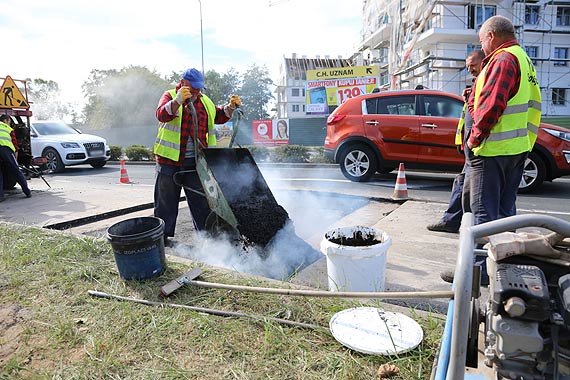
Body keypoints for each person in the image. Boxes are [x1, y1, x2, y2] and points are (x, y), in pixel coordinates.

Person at [441, 16, 541, 285]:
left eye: (482, 41)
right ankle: (503, 269)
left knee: (483, 216)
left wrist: (474, 139)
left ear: (492, 36)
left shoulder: (503, 59)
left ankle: (476, 274)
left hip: (492, 150)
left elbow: (492, 106)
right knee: (505, 214)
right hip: (515, 149)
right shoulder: (523, 58)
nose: (482, 47)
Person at [154, 68, 241, 245]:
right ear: (183, 82)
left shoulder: (204, 101)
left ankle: (206, 240)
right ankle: (160, 239)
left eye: (199, 88)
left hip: (196, 162)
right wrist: (178, 101)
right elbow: (161, 114)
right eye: (193, 88)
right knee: (165, 202)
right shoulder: (170, 95)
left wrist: (230, 107)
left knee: (201, 202)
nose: (197, 92)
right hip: (169, 161)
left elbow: (219, 115)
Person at [427, 50, 485, 233]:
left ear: (484, 62)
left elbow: (485, 115)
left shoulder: (487, 80)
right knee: (462, 183)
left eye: (473, 65)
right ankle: (452, 220)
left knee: (471, 191)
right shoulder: (477, 83)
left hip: (480, 148)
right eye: (468, 66)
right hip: (471, 147)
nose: (470, 70)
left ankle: (467, 228)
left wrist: (472, 140)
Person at [0, 114, 32, 201]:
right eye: (9, 122)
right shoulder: (8, 129)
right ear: (5, 121)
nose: (10, 124)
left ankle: (0, 197)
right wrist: (15, 161)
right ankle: (27, 192)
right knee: (16, 171)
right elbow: (15, 146)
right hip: (6, 150)